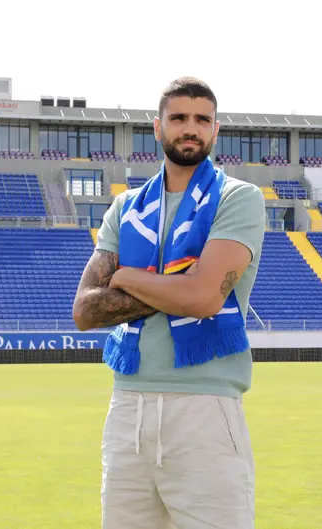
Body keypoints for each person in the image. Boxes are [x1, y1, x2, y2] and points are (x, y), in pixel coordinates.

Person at [73, 76, 266, 529]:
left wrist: (126, 277)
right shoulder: (126, 208)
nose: (190, 128)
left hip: (205, 409)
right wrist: (176, 285)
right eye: (178, 118)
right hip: (128, 409)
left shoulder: (238, 199)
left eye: (202, 119)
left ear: (215, 130)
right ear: (158, 128)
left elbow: (203, 298)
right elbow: (85, 310)